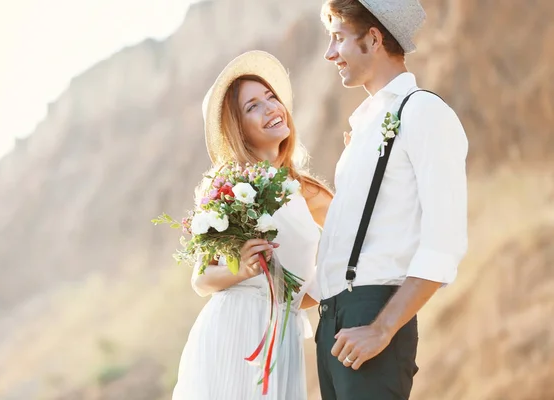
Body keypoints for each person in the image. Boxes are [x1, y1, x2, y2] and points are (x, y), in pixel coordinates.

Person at [314, 1, 469, 399]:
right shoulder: (364, 128)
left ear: (374, 38)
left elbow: (444, 241)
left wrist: (383, 327)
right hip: (332, 320)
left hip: (373, 312)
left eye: (338, 39)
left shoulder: (424, 113)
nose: (330, 54)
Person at [172, 50, 332, 400]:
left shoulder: (307, 191)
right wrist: (242, 270)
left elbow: (350, 240)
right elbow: (201, 279)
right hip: (235, 329)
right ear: (238, 128)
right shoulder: (230, 184)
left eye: (271, 97)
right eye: (253, 106)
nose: (271, 107)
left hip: (282, 335)